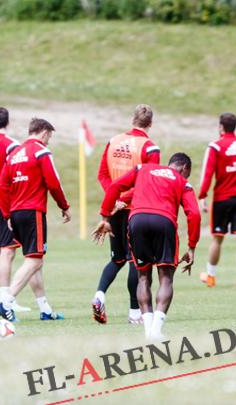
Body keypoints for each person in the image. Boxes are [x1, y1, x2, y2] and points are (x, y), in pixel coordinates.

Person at [93, 153, 201, 340]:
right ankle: (156, 331)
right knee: (166, 278)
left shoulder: (143, 169)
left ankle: (148, 332)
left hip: (137, 221)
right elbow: (195, 215)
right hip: (164, 221)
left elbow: (116, 186)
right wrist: (192, 246)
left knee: (143, 277)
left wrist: (105, 216)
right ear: (184, 168)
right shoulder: (182, 182)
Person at [0, 118, 71, 323]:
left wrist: (7, 214)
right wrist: (64, 206)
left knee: (33, 260)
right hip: (33, 212)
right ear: (44, 132)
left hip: (16, 213)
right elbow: (53, 182)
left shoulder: (14, 154)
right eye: (49, 136)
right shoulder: (41, 151)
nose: (49, 140)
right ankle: (6, 302)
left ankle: (45, 309)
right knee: (35, 260)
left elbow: (2, 186)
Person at [92, 104, 161, 325]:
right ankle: (134, 313)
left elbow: (103, 175)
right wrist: (125, 199)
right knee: (135, 261)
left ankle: (99, 295)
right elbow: (148, 180)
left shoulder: (113, 141)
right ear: (150, 123)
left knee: (117, 258)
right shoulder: (150, 148)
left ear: (132, 119)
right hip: (134, 211)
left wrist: (114, 197)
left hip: (114, 209)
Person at [0, 107, 37, 315]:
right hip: (6, 205)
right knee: (7, 252)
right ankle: (5, 298)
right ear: (8, 122)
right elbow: (15, 174)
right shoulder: (12, 145)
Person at [198, 113, 236, 288]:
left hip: (222, 199)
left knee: (217, 238)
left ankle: (211, 276)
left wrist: (202, 195)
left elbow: (207, 173)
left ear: (221, 127)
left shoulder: (215, 146)